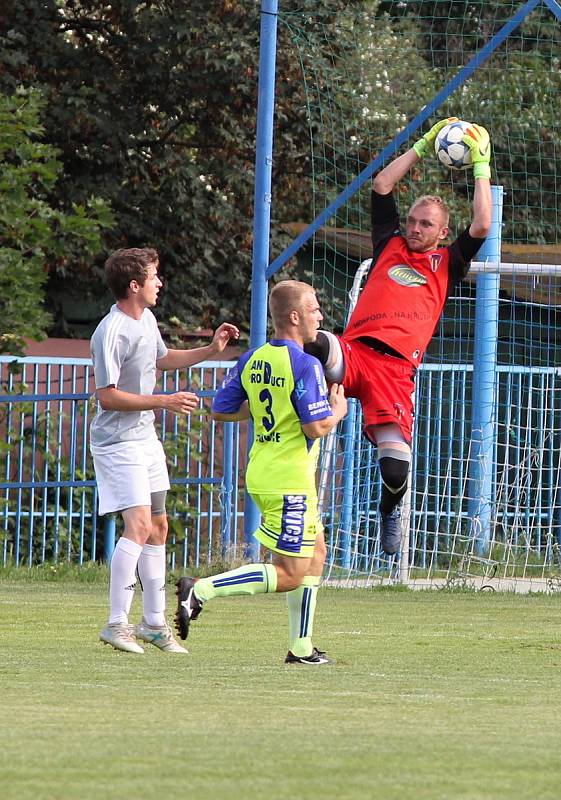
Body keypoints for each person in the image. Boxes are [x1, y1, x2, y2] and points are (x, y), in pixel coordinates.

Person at [305, 117, 492, 556]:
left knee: (394, 467)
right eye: (412, 220)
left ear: (442, 232)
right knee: (312, 341)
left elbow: (482, 224)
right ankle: (297, 418)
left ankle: (390, 512)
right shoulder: (388, 243)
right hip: (353, 352)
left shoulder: (448, 262)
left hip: (394, 371)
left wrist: (480, 164)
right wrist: (425, 145)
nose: (414, 228)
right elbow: (383, 184)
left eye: (425, 224)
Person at [175, 280, 347, 664]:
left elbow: (220, 409)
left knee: (315, 553)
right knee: (287, 574)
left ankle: (301, 649)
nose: (320, 315)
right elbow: (315, 427)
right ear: (294, 316)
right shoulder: (306, 365)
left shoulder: (253, 358)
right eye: (315, 308)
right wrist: (337, 412)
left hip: (264, 471)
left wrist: (265, 407)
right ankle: (200, 590)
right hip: (290, 480)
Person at [90, 246, 239, 654]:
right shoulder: (111, 330)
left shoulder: (148, 318)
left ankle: (154, 624)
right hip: (117, 442)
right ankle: (115, 623)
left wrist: (210, 351)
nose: (160, 283)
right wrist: (164, 401)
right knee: (137, 525)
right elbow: (107, 397)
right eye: (154, 277)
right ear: (134, 285)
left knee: (158, 527)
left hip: (145, 438)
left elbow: (162, 359)